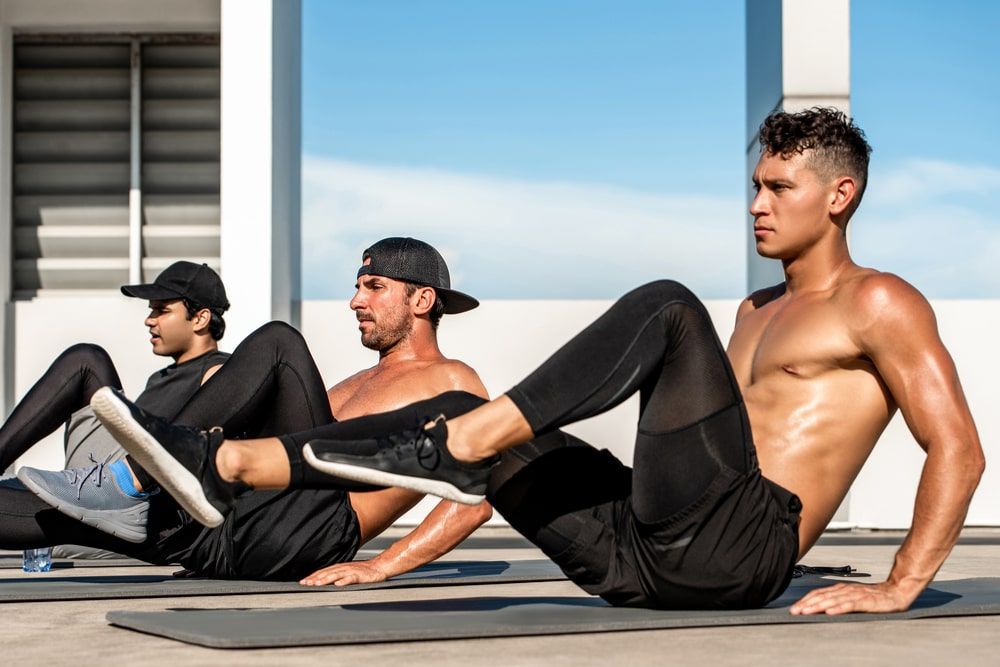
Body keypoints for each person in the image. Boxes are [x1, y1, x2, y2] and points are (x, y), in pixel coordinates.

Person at [95, 108, 984, 611]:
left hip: (744, 549)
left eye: (778, 187)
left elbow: (960, 447)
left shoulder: (879, 301)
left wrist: (901, 583)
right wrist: (381, 562)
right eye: (753, 183)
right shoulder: (756, 310)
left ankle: (471, 437)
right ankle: (230, 465)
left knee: (667, 307)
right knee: (453, 419)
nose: (756, 203)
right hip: (646, 556)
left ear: (840, 195)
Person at [8, 238, 492, 584]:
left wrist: (381, 565)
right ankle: (137, 490)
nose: (354, 301)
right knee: (32, 505)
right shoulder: (353, 384)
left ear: (422, 299)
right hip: (224, 530)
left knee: (279, 343)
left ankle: (130, 479)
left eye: (374, 286)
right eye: (357, 286)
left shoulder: (452, 380)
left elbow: (478, 498)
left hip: (308, 529)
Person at [1, 261, 230, 546]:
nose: (149, 319)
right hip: (102, 478)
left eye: (162, 310)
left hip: (146, 499)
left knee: (87, 362)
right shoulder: (159, 379)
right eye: (150, 310)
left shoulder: (220, 373)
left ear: (200, 319)